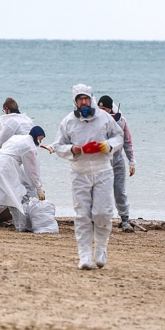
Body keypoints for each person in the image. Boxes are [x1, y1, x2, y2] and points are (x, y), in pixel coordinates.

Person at [51, 84, 123, 270]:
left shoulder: (105, 118)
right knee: (82, 215)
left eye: (86, 98)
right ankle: (84, 256)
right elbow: (57, 146)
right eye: (79, 99)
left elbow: (119, 137)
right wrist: (72, 149)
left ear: (91, 98)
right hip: (79, 172)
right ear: (75, 102)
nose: (83, 102)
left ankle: (100, 249)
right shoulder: (68, 121)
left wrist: (107, 146)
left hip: (103, 170)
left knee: (103, 212)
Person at [0, 126, 47, 231]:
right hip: (7, 167)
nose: (40, 141)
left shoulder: (18, 138)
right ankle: (21, 226)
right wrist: (38, 187)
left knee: (5, 196)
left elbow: (4, 146)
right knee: (15, 195)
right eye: (40, 138)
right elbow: (32, 169)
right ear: (36, 136)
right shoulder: (29, 147)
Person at [97, 95, 137, 233]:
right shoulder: (93, 122)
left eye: (105, 108)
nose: (102, 111)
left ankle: (125, 220)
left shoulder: (121, 121)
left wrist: (132, 161)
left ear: (110, 108)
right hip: (101, 163)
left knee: (120, 192)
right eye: (100, 108)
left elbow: (127, 142)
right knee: (101, 192)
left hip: (118, 162)